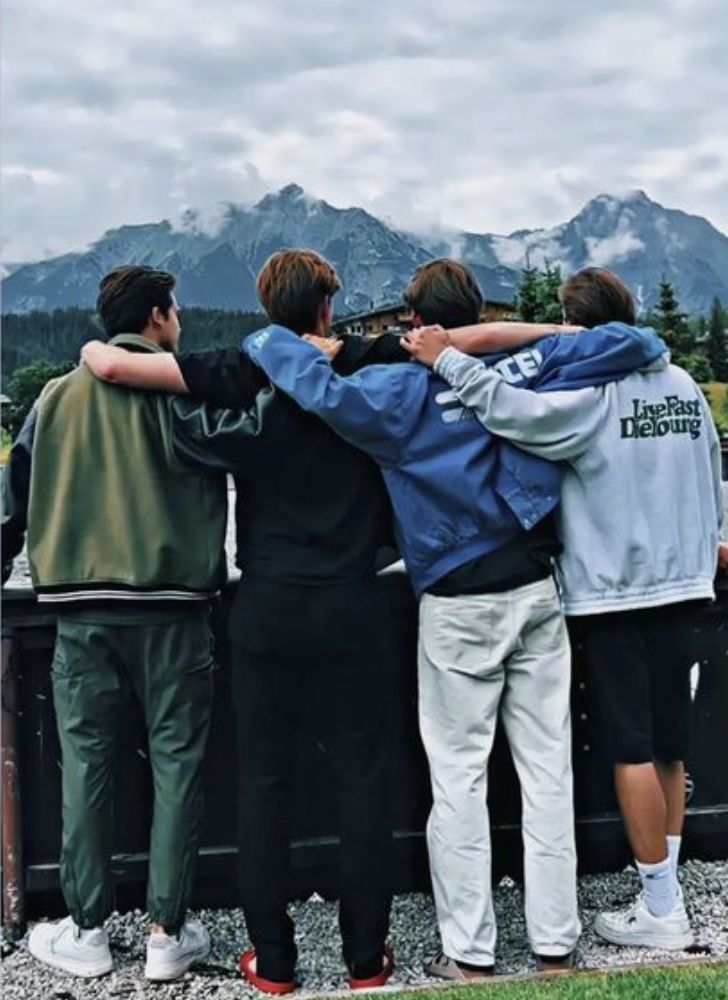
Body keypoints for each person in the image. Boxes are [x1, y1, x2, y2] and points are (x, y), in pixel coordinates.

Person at [232, 259, 668, 978]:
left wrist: (275, 340)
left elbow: (311, 388)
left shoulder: (395, 392)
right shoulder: (526, 368)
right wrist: (502, 337)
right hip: (535, 587)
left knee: (460, 779)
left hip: (456, 603)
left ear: (415, 322)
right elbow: (638, 340)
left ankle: (470, 956)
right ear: (475, 312)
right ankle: (556, 947)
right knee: (547, 772)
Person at [402, 266, 723, 951]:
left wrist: (448, 361)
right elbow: (710, 474)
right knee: (671, 747)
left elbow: (515, 413)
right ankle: (661, 894)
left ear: (579, 330)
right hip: (687, 586)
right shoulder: (686, 388)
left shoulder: (591, 392)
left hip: (612, 593)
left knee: (631, 749)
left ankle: (662, 909)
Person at [1, 266, 228, 980]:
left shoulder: (54, 399)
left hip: (79, 614)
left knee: (87, 768)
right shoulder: (180, 389)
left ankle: (88, 929)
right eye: (178, 309)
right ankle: (167, 933)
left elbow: (14, 506)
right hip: (176, 609)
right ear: (159, 316)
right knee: (178, 767)